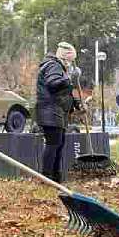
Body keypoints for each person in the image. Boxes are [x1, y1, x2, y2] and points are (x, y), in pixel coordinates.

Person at [35, 42, 80, 182]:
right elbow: (53, 84)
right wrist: (70, 78)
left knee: (58, 145)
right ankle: (47, 177)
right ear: (65, 57)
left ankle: (56, 177)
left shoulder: (59, 67)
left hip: (56, 111)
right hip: (50, 110)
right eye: (70, 61)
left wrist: (77, 104)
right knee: (53, 144)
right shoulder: (53, 66)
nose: (71, 64)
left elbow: (63, 94)